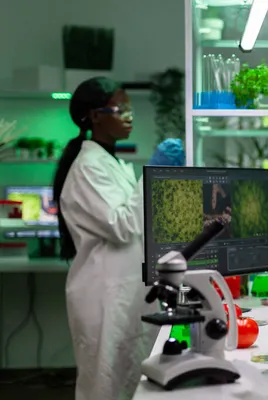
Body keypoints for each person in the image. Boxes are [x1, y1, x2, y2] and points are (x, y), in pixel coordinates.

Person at [52, 77, 184, 400]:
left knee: (129, 384)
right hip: (104, 298)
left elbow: (138, 223)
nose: (129, 115)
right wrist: (151, 176)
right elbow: (122, 225)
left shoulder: (113, 165)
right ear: (94, 116)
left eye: (129, 107)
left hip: (124, 296)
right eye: (119, 108)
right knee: (105, 385)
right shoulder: (87, 168)